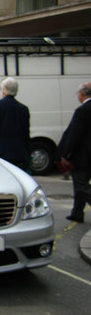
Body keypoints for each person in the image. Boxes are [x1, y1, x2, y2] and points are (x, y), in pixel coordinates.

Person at [57, 82, 91, 223]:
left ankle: (77, 212)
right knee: (79, 184)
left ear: (81, 94)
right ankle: (77, 212)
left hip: (83, 155)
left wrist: (66, 155)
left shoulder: (82, 110)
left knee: (81, 184)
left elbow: (74, 135)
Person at [0, 77, 31, 170]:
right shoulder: (23, 109)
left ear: (3, 90)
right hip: (19, 153)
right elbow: (26, 133)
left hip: (0, 152)